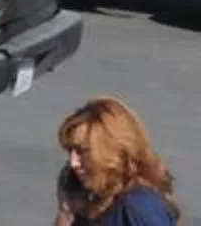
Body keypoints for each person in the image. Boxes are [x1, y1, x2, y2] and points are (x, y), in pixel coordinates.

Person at [57, 97, 177, 226]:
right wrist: (67, 213)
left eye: (82, 151)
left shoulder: (137, 208)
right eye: (70, 151)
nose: (73, 163)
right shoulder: (92, 202)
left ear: (112, 151)